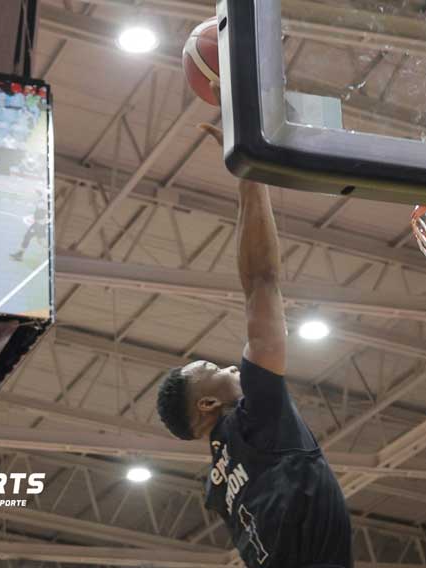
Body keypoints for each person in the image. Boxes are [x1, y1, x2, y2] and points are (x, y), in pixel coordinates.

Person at [156, 84, 352, 568]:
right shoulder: (255, 415)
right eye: (210, 367)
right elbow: (260, 282)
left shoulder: (220, 484)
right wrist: (249, 172)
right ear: (207, 403)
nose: (226, 363)